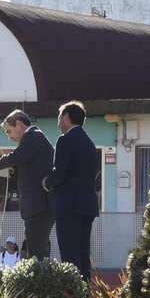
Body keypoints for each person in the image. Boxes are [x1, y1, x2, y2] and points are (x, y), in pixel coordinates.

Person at [0, 110, 55, 260]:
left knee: (37, 253)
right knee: (36, 250)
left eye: (9, 131)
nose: (9, 137)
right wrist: (14, 169)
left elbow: (15, 156)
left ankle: (39, 275)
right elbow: (30, 170)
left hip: (39, 206)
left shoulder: (33, 136)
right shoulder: (34, 139)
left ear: (19, 124)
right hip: (38, 206)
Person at [43, 101, 100, 281]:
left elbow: (60, 172)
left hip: (69, 206)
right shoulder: (89, 142)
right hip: (87, 205)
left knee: (70, 256)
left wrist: (47, 182)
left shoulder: (65, 139)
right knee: (83, 254)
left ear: (67, 117)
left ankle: (73, 294)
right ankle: (85, 292)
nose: (58, 122)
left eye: (59, 117)